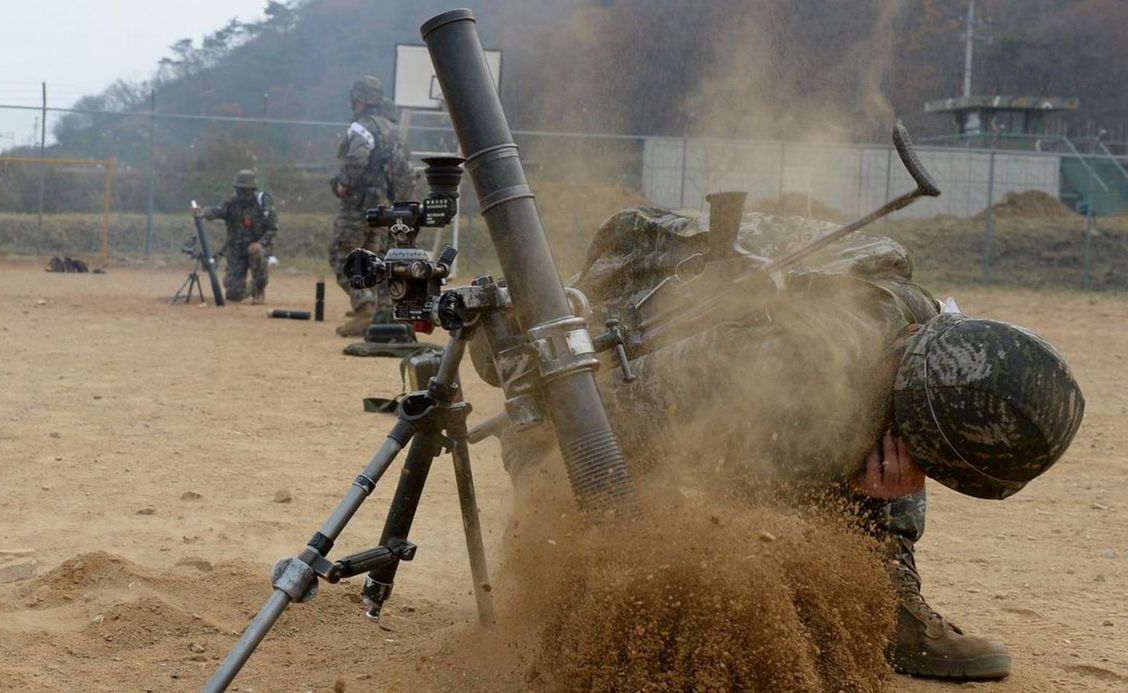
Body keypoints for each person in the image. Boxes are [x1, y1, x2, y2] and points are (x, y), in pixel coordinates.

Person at [492, 207, 1084, 681]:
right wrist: (833, 491)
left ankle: (885, 590)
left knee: (862, 438)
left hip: (706, 358)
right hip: (577, 416)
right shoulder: (780, 376)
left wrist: (869, 493)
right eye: (930, 456)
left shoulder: (915, 319)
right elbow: (593, 418)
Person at [329, 76, 406, 337]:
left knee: (344, 255)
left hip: (359, 204)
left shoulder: (362, 127)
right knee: (374, 257)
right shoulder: (394, 130)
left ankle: (364, 308)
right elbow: (403, 171)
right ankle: (378, 308)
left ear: (359, 99)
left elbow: (357, 158)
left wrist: (343, 183)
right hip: (384, 207)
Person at [193, 169, 278, 304]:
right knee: (233, 295)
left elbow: (272, 228)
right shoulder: (231, 203)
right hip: (236, 251)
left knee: (257, 254)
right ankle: (247, 288)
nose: (241, 193)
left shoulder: (262, 204)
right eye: (239, 189)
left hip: (256, 249)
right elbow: (218, 211)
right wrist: (203, 212)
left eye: (245, 190)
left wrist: (260, 243)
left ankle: (259, 289)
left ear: (252, 189)